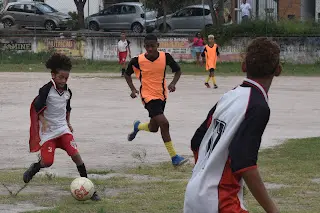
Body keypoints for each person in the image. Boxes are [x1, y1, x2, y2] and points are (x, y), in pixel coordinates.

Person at [184, 37, 281, 213]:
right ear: (278, 70)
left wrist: (206, 174)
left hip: (194, 195)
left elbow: (196, 140)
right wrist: (273, 210)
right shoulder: (259, 107)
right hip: (219, 201)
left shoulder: (229, 96)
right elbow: (245, 164)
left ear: (243, 67)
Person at [25, 53, 101, 201]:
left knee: (76, 156)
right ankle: (35, 167)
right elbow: (37, 105)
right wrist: (43, 120)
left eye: (66, 78)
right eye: (61, 77)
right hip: (48, 133)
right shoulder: (46, 89)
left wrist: (68, 123)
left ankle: (90, 188)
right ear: (53, 75)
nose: (63, 80)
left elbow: (67, 109)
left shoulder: (67, 92)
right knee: (48, 162)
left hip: (63, 130)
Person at [124, 34, 188, 167]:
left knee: (154, 127)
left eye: (152, 46)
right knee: (164, 123)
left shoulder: (166, 57)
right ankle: (174, 157)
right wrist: (133, 89)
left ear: (158, 46)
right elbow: (127, 74)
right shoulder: (138, 60)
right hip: (147, 96)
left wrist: (173, 83)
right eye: (147, 46)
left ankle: (138, 126)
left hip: (162, 95)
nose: (150, 49)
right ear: (144, 46)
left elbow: (178, 71)